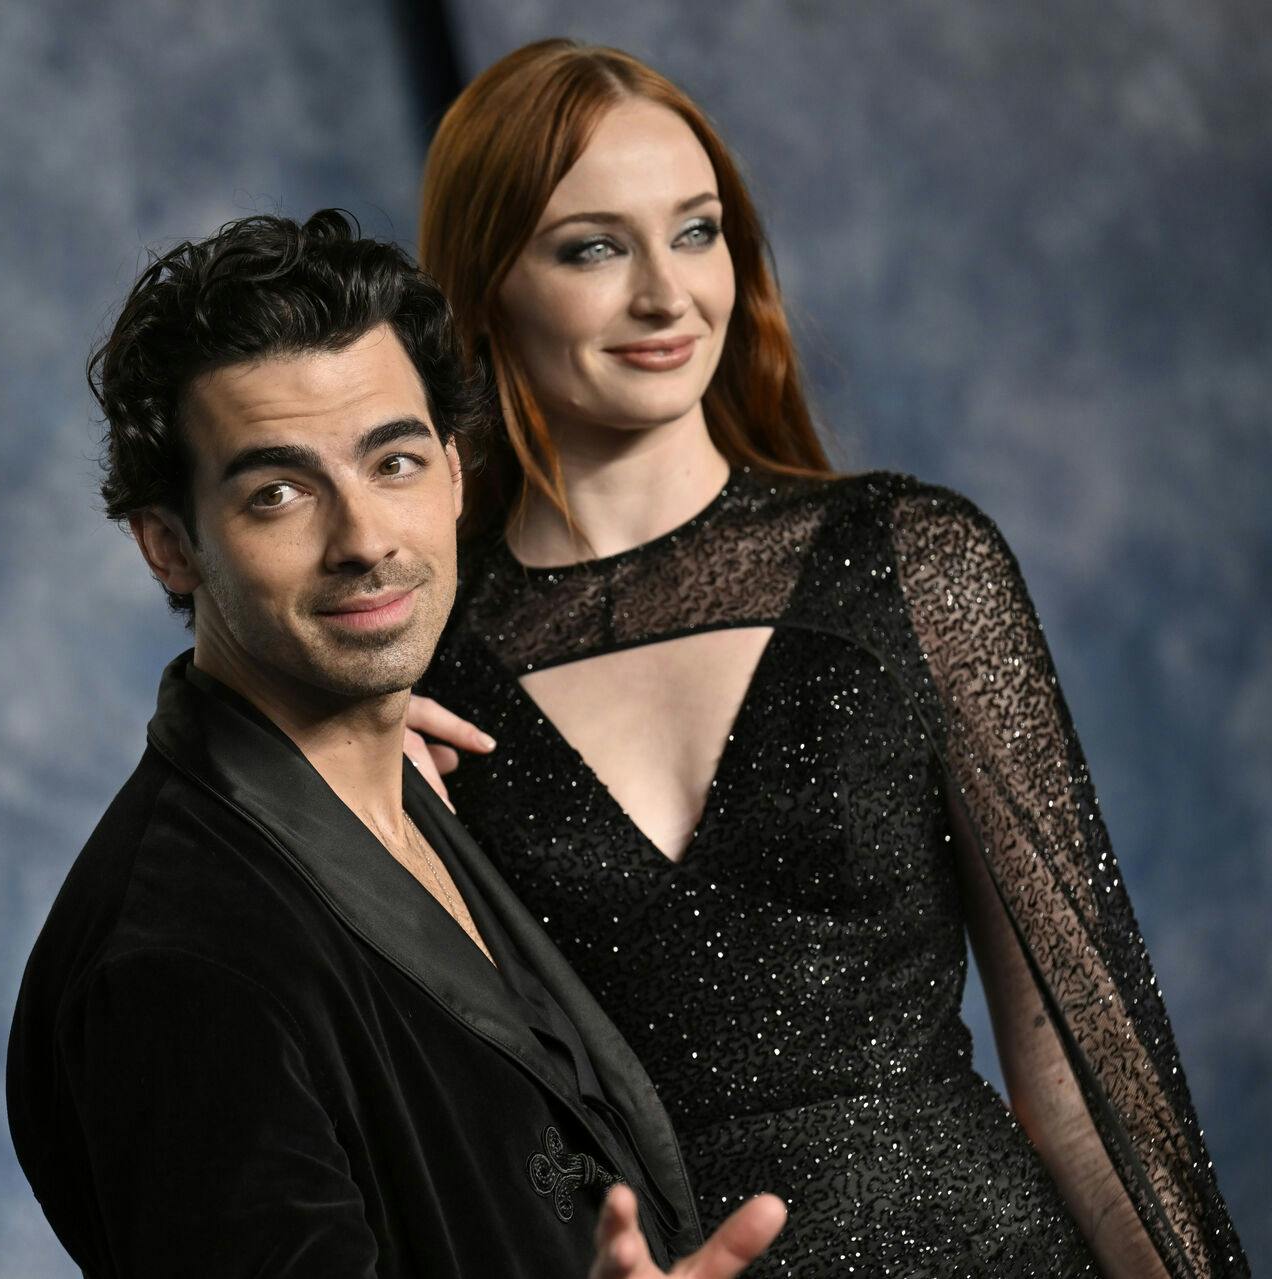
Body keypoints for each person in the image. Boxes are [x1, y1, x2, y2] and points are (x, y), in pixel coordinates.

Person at [404, 38, 1247, 1278]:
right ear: (487, 287)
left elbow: (1079, 1059)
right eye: (593, 247)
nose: (667, 295)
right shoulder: (419, 669)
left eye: (697, 233)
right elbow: (444, 1127)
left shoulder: (911, 563)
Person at [6, 209, 787, 1277]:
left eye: (396, 461)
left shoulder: (410, 785)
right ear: (168, 545)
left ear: (457, 476)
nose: (365, 539)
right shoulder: (179, 965)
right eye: (276, 493)